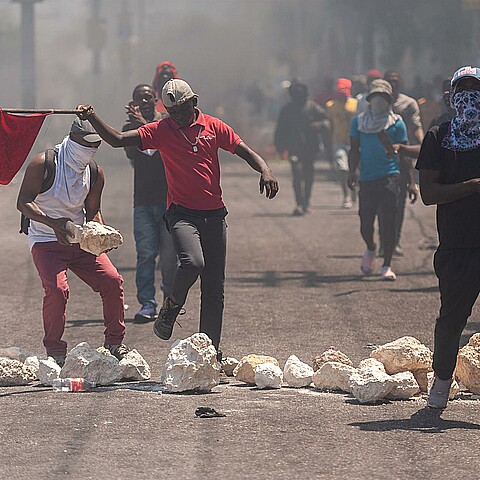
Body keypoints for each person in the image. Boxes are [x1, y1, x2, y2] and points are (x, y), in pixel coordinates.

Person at [75, 79, 279, 361]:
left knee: (214, 288)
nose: (179, 117)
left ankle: (210, 351)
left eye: (182, 110)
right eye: (173, 112)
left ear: (194, 103)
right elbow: (117, 140)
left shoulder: (214, 126)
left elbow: (244, 150)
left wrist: (265, 169)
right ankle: (171, 305)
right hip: (182, 214)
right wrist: (92, 117)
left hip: (215, 215)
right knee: (192, 262)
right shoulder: (162, 130)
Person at [16, 118, 128, 366]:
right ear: (72, 137)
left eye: (95, 146)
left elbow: (93, 210)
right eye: (86, 145)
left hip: (79, 241)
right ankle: (55, 351)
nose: (89, 151)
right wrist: (54, 224)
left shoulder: (94, 172)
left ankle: (114, 343)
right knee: (57, 291)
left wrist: (100, 232)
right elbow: (23, 202)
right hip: (46, 240)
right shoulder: (44, 163)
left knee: (112, 281)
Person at [416, 66, 480, 408]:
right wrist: (470, 187)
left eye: (476, 88)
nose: (470, 95)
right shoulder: (440, 136)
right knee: (452, 320)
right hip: (457, 245)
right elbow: (428, 193)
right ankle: (441, 383)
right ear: (453, 96)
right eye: (463, 89)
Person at [348, 79, 417, 281]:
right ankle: (370, 247)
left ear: (389, 100)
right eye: (375, 97)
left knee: (388, 223)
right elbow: (354, 150)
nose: (379, 101)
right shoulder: (359, 122)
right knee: (365, 222)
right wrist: (351, 172)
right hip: (367, 179)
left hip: (390, 178)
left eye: (383, 97)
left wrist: (410, 182)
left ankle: (386, 264)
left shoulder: (397, 124)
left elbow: (403, 155)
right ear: (369, 100)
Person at [123, 84, 178, 323]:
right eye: (139, 98)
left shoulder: (167, 123)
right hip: (143, 203)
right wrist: (137, 125)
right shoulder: (128, 129)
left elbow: (164, 144)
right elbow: (132, 153)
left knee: (169, 257)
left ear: (156, 99)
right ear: (133, 102)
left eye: (148, 97)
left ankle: (170, 302)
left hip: (169, 201)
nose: (144, 101)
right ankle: (147, 303)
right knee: (145, 254)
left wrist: (142, 124)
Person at [381, 70, 424, 257]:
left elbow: (416, 127)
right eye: (389, 82)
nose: (393, 85)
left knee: (398, 202)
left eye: (396, 82)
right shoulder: (376, 104)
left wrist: (424, 146)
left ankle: (394, 241)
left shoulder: (408, 104)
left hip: (402, 155)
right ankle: (384, 241)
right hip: (380, 157)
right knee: (381, 205)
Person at [274, 80, 331, 215]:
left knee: (308, 175)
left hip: (310, 147)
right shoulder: (287, 110)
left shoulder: (312, 107)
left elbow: (326, 121)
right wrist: (280, 146)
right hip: (294, 146)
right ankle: (299, 203)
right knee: (297, 174)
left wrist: (319, 125)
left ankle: (306, 202)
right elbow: (280, 129)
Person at [326, 78, 358, 208]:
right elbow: (329, 125)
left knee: (356, 169)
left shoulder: (356, 104)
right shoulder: (330, 106)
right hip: (338, 140)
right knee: (343, 168)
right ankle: (346, 196)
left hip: (355, 141)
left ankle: (354, 190)